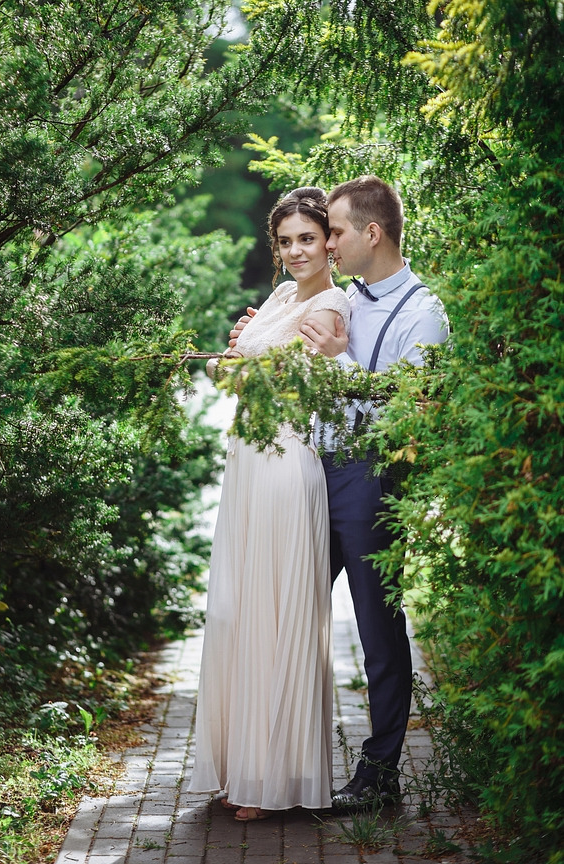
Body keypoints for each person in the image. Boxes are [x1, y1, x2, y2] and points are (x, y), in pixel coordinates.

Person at [229, 175, 449, 814]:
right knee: (285, 616)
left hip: (369, 479)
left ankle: (379, 774)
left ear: (370, 234)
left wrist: (342, 363)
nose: (327, 242)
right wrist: (262, 335)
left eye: (339, 231)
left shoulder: (422, 313)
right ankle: (271, 769)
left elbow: (417, 414)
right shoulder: (339, 297)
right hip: (307, 473)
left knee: (378, 633)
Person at [189, 188, 351, 822]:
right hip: (247, 465)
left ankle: (269, 777)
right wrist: (239, 351)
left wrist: (241, 360)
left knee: (275, 611)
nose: (295, 251)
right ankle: (241, 764)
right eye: (285, 241)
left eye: (307, 238)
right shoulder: (284, 298)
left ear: (329, 243)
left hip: (286, 466)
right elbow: (229, 370)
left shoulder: (332, 305)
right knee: (237, 611)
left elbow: (299, 381)